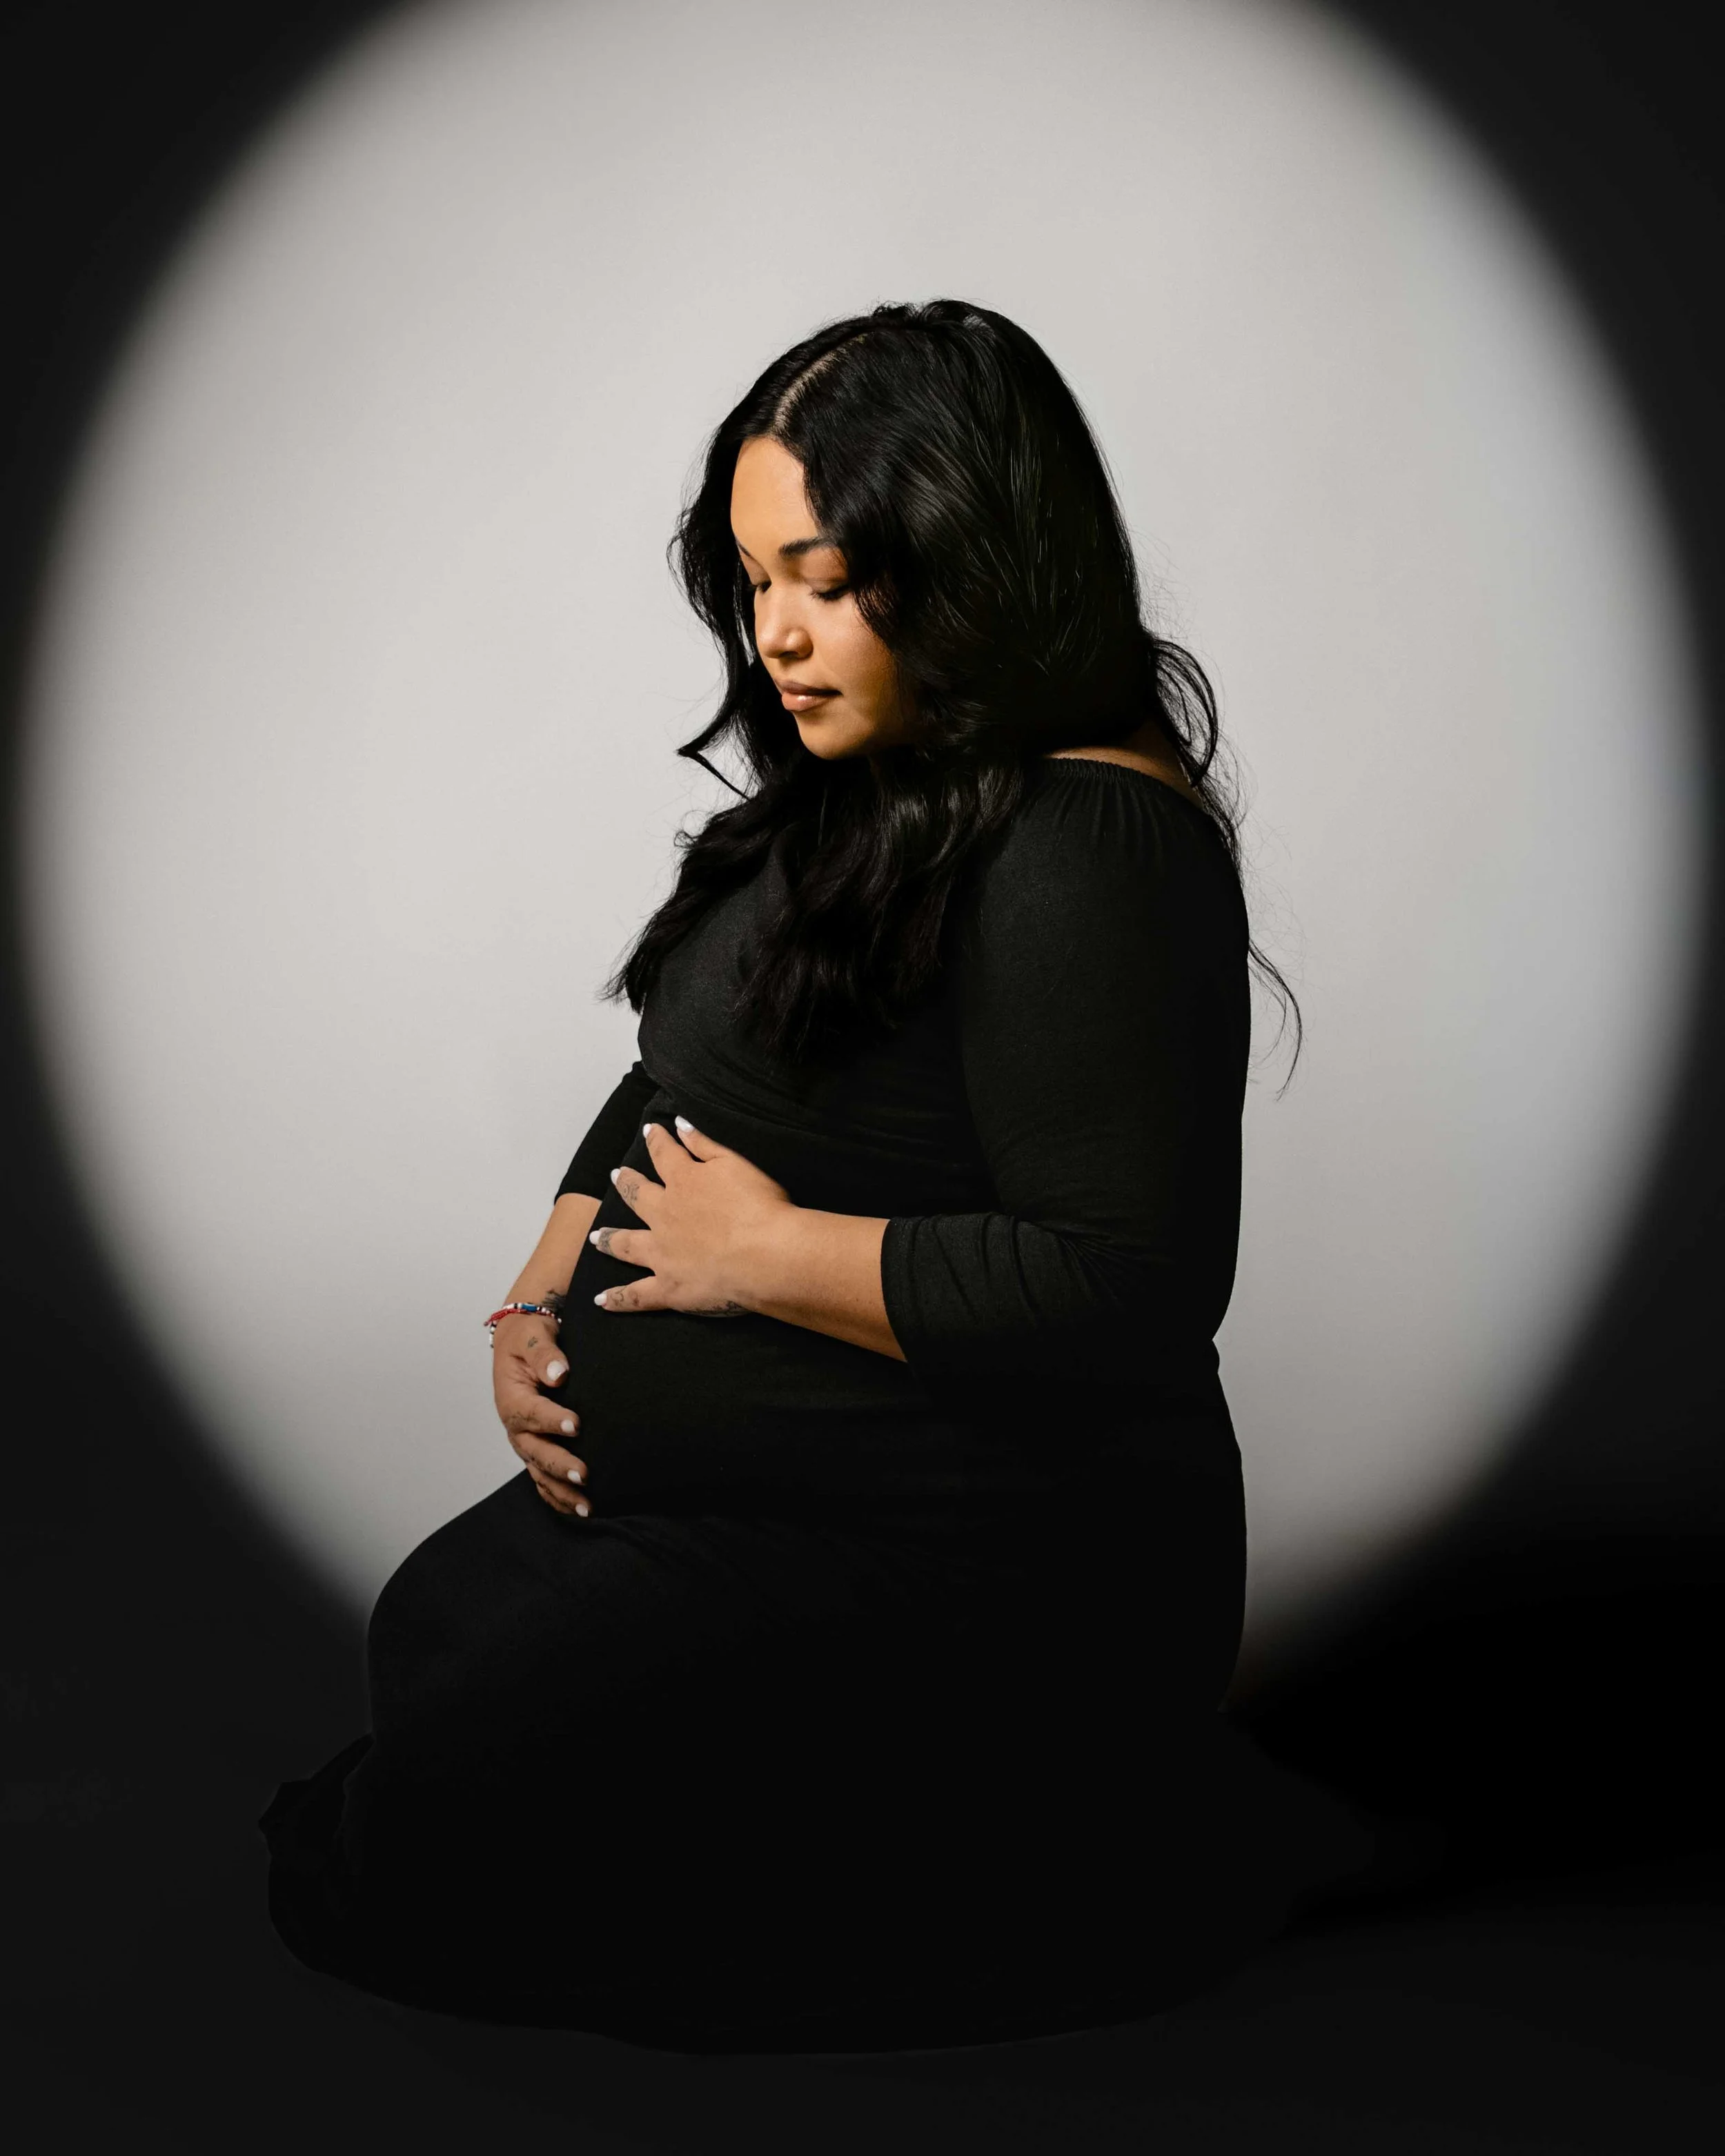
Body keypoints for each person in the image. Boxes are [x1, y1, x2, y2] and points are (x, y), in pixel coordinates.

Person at [261, 298, 1373, 2052]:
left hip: (999, 1571)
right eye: (751, 580)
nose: (776, 633)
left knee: (460, 1760)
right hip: (781, 1514)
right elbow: (668, 1076)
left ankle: (1042, 1841)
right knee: (438, 1644)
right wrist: (543, 1283)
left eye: (825, 577)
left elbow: (1127, 1284)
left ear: (966, 557)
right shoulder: (868, 793)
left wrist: (763, 1257)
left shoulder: (1086, 842)